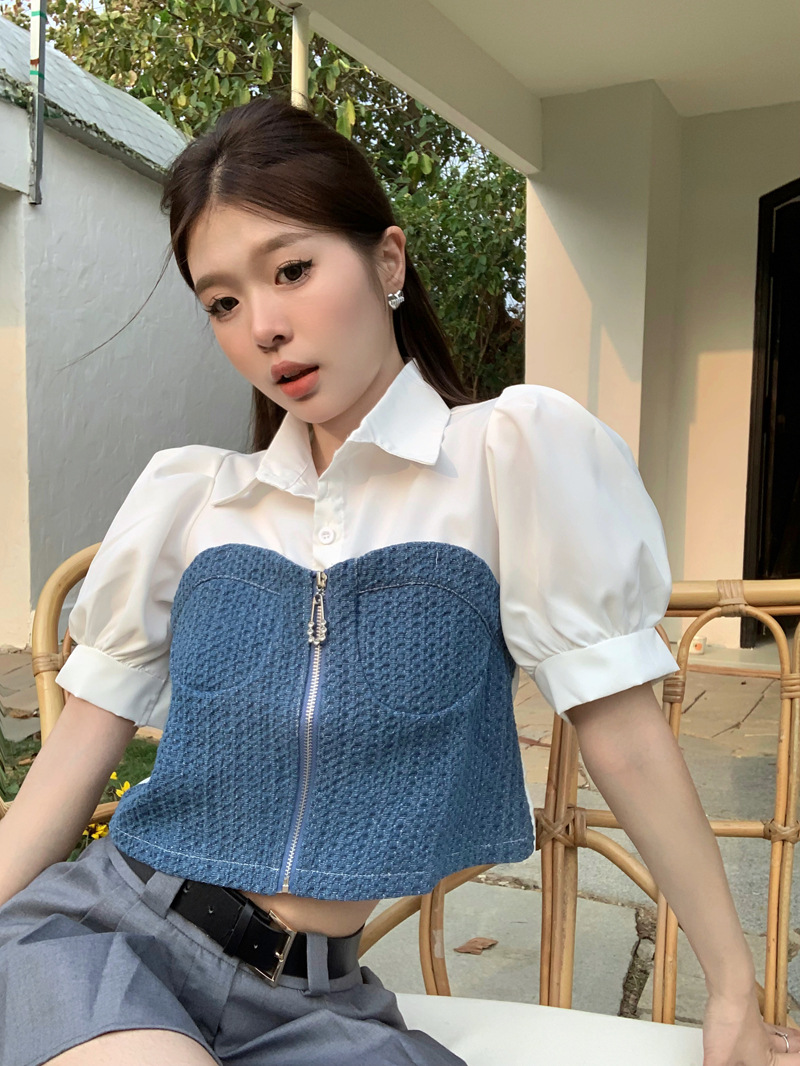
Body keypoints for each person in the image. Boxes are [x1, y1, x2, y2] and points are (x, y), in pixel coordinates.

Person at [0, 94, 794, 1066]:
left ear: (387, 262)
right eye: (222, 302)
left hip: (317, 1009)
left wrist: (731, 989)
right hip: (111, 941)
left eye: (291, 270)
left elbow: (623, 738)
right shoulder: (192, 502)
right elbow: (71, 762)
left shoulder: (508, 463)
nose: (264, 326)